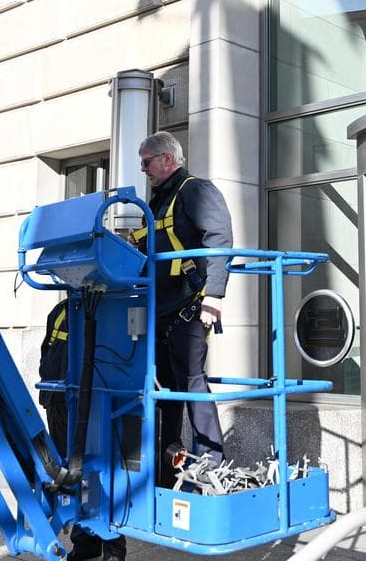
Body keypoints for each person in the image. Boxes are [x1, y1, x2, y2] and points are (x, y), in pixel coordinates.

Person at [131, 131, 233, 477]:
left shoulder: (195, 190)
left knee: (191, 380)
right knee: (164, 387)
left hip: (189, 307)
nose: (143, 168)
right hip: (160, 310)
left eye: (147, 161)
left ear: (168, 159)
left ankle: (211, 462)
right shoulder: (157, 202)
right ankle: (167, 460)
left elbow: (219, 239)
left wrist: (214, 295)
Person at [38, 299, 126, 561]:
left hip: (93, 406)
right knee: (70, 473)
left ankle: (112, 544)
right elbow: (47, 351)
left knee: (102, 474)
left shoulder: (108, 306)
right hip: (58, 400)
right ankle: (85, 542)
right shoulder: (61, 309)